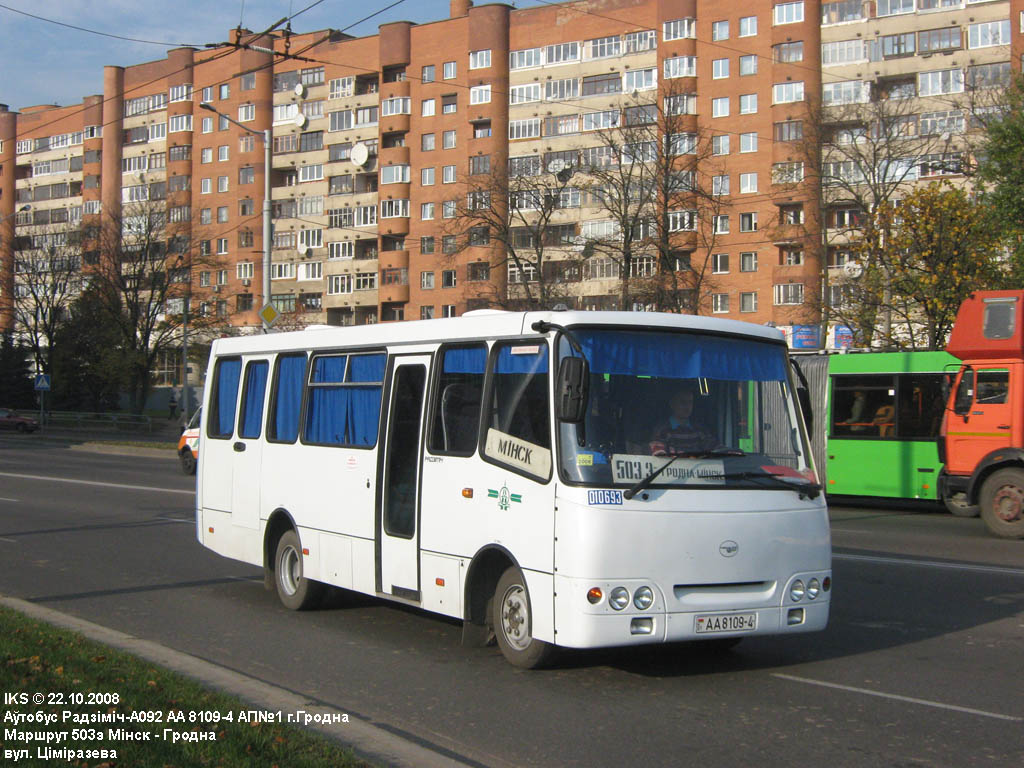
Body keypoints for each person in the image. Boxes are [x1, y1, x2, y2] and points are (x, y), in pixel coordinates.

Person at [649, 386, 714, 456]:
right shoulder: (662, 430)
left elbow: (714, 446)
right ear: (672, 404)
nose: (687, 406)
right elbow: (659, 454)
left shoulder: (700, 430)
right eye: (683, 402)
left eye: (690, 402)